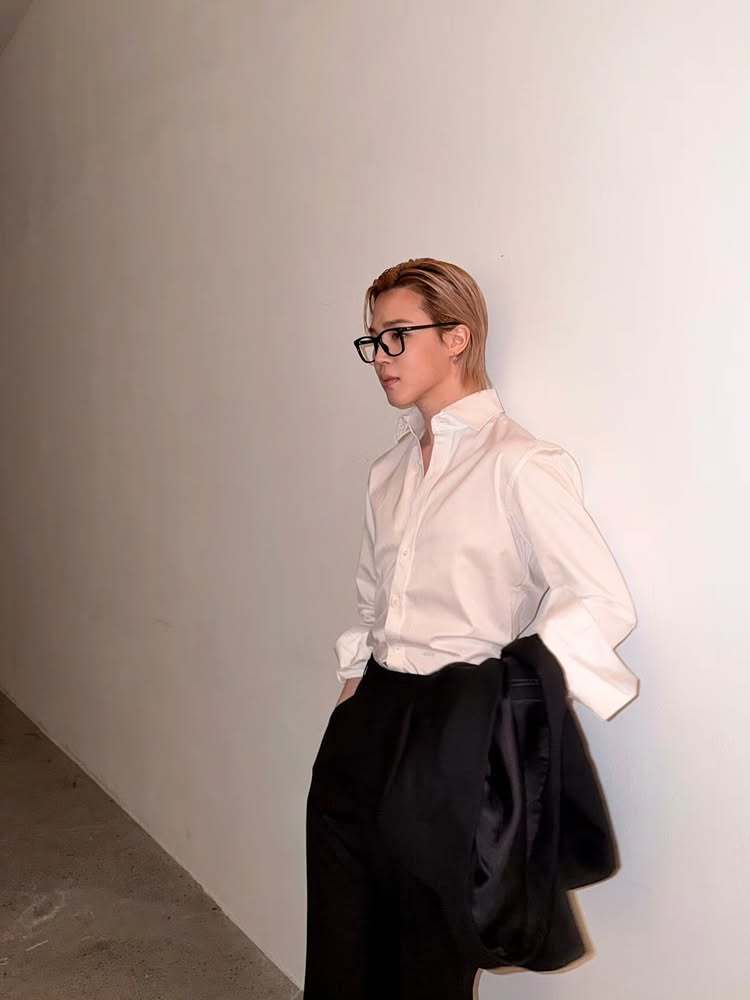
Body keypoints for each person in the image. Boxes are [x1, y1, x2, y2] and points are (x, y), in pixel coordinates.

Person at [303, 257, 639, 999]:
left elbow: (600, 600)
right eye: (373, 340)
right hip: (369, 719)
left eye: (397, 335)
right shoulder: (388, 471)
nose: (381, 356)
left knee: (430, 950)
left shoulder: (518, 464)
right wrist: (354, 689)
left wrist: (512, 699)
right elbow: (372, 599)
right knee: (339, 929)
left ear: (456, 337)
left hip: (456, 724)